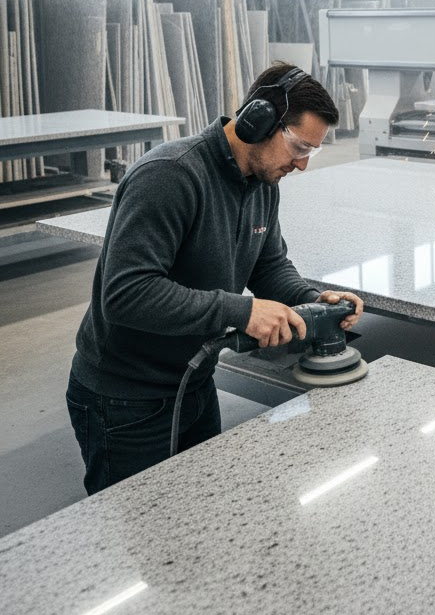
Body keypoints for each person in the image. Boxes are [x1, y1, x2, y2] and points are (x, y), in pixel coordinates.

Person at [66, 62, 364, 495]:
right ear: (258, 121)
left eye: (311, 153)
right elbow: (126, 294)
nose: (301, 165)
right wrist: (240, 311)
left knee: (202, 514)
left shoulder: (263, 182)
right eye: (299, 147)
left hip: (195, 382)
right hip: (125, 399)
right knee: (134, 533)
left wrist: (314, 299)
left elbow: (269, 267)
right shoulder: (170, 176)